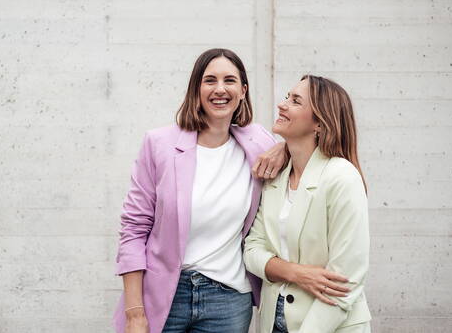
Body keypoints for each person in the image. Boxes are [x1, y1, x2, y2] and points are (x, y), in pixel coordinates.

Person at [114, 49, 347, 333]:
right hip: (165, 295)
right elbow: (134, 230)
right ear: (196, 89)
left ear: (242, 90)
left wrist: (281, 148)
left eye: (230, 80)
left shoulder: (259, 142)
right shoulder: (159, 144)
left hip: (227, 300)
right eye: (210, 80)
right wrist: (134, 313)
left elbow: (302, 145)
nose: (220, 89)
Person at [244, 75, 371, 333]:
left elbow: (345, 282)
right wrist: (294, 273)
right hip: (273, 321)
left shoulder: (342, 177)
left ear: (319, 124)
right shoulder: (276, 176)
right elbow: (252, 250)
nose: (282, 104)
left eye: (296, 101)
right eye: (287, 97)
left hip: (329, 325)